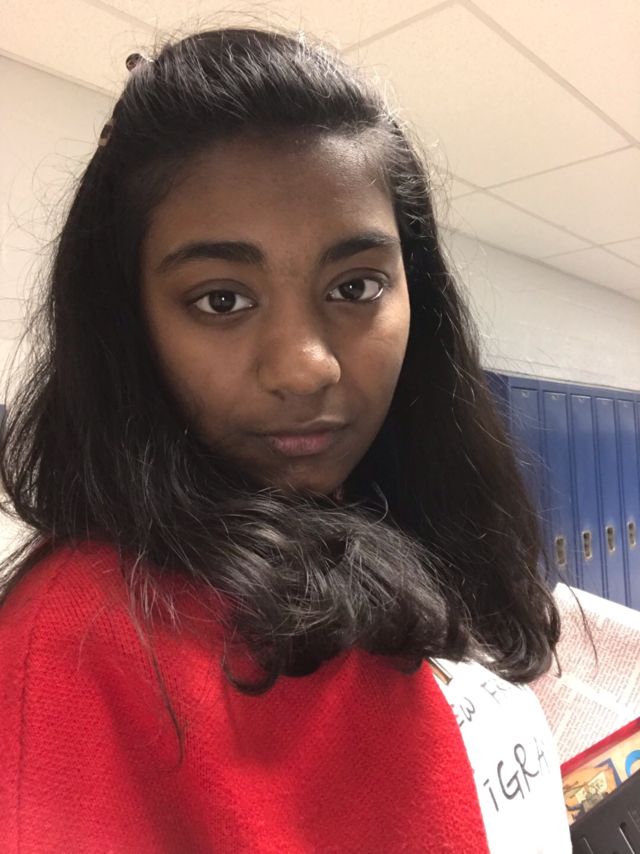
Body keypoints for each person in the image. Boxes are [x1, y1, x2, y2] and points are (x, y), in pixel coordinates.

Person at [0, 27, 571, 853]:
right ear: (126, 325)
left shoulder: (405, 517)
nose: (306, 367)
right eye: (222, 300)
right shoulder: (82, 646)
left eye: (356, 286)